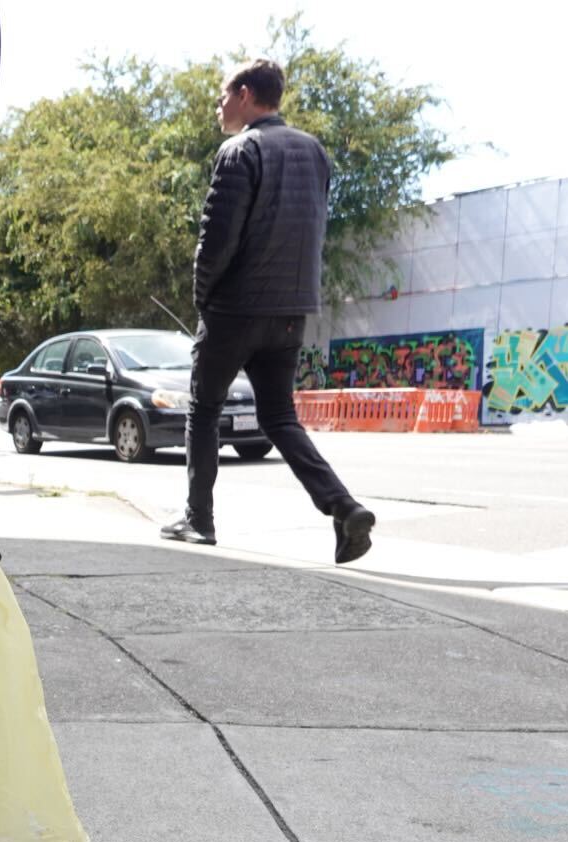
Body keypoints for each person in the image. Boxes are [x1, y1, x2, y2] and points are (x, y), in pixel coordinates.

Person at [160, 58, 375, 564]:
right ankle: (343, 508)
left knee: (204, 407)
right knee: (280, 417)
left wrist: (203, 297)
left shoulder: (241, 150)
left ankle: (199, 519)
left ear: (245, 93)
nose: (219, 106)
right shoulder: (314, 151)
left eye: (222, 96)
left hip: (236, 308)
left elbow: (218, 236)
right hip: (290, 311)